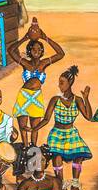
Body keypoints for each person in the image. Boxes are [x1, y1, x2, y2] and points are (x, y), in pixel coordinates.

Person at [7, 18, 67, 146]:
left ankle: (33, 149)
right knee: (23, 128)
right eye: (34, 49)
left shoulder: (44, 63)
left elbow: (61, 53)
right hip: (23, 96)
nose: (37, 51)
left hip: (36, 97)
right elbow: (10, 50)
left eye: (39, 49)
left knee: (35, 127)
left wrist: (46, 38)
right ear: (29, 51)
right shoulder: (25, 63)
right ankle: (24, 148)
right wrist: (24, 38)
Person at [37, 65, 93, 190]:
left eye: (62, 83)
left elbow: (89, 116)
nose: (59, 85)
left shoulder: (77, 100)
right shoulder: (55, 99)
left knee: (78, 156)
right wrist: (33, 128)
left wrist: (86, 98)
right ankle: (61, 186)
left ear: (70, 83)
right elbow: (46, 119)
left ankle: (75, 185)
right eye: (59, 82)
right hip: (57, 134)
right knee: (57, 156)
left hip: (71, 133)